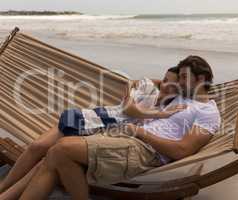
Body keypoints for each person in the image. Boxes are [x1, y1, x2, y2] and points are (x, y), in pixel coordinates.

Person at [9, 55, 221, 200]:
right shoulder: (181, 95)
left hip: (144, 149)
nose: (179, 83)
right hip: (124, 136)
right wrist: (140, 85)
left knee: (61, 149)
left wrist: (139, 132)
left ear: (201, 79)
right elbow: (158, 83)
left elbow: (181, 150)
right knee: (51, 159)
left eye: (184, 78)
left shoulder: (208, 113)